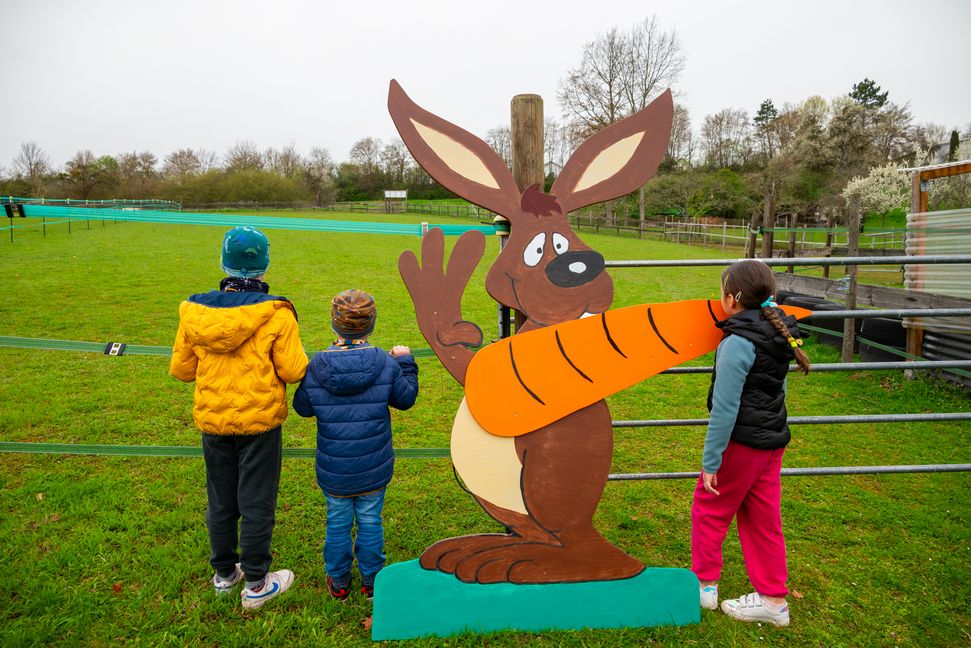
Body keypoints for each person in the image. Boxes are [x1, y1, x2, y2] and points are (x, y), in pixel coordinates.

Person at [169, 226, 308, 612]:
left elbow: (182, 370)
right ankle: (258, 582)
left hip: (214, 421)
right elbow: (295, 370)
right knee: (257, 499)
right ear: (264, 267)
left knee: (221, 498)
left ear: (223, 262)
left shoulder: (194, 312)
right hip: (260, 422)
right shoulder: (277, 313)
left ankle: (225, 575)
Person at [691, 259, 810, 628]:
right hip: (772, 442)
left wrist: (712, 461)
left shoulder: (737, 342)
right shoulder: (779, 333)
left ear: (730, 299)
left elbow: (725, 410)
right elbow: (778, 388)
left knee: (709, 508)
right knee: (763, 519)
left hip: (741, 443)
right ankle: (774, 602)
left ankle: (704, 586)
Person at [293, 289, 418, 601]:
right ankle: (372, 581)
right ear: (371, 324)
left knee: (337, 522)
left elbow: (303, 408)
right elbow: (405, 399)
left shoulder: (316, 366)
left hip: (335, 469)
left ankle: (338, 581)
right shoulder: (385, 364)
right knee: (370, 520)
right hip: (373, 467)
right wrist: (406, 363)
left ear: (334, 324)